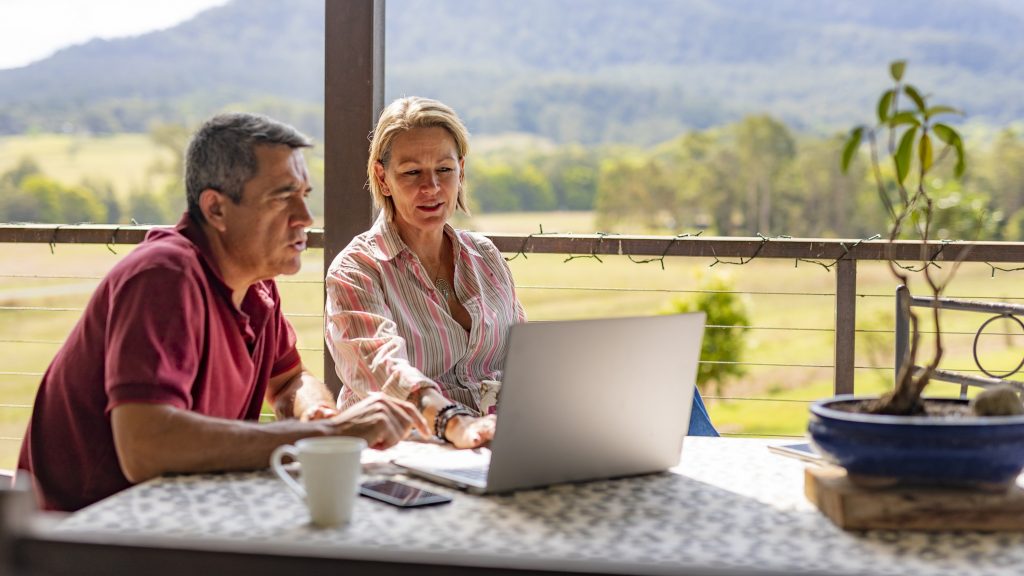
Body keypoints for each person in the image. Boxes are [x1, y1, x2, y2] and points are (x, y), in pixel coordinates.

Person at [18, 113, 428, 512]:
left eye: (303, 195)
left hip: (174, 520)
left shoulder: (255, 282)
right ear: (215, 209)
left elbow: (289, 381)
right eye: (281, 197)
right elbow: (145, 446)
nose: (304, 218)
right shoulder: (164, 275)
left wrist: (314, 411)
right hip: (84, 538)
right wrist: (325, 432)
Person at [325, 97, 717, 450]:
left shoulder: (484, 256)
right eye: (412, 173)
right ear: (383, 178)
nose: (432, 187)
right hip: (418, 443)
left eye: (444, 169)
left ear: (461, 170)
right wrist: (454, 422)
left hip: (500, 433)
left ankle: (715, 503)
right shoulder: (356, 271)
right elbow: (384, 372)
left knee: (664, 382)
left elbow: (521, 358)